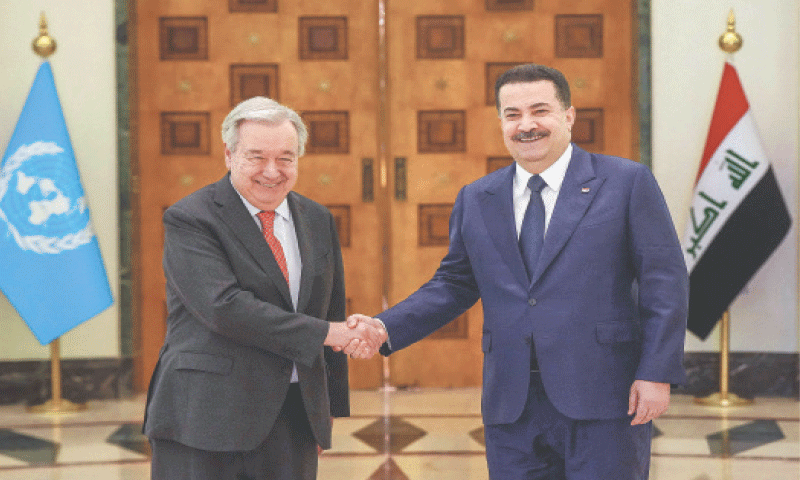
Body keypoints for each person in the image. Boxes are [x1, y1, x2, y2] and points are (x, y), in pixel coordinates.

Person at [350, 64, 688, 479]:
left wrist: (655, 372)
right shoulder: (477, 197)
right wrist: (385, 327)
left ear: (569, 116)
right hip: (511, 402)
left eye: (539, 111)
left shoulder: (625, 182)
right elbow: (454, 283)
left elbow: (665, 282)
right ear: (501, 123)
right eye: (512, 115)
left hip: (603, 394)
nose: (526, 125)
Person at [143, 96, 386, 480]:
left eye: (286, 158)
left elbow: (329, 308)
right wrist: (330, 333)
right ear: (229, 154)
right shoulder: (191, 218)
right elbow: (224, 307)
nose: (272, 172)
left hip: (293, 416)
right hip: (207, 416)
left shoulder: (317, 219)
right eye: (256, 157)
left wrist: (326, 412)